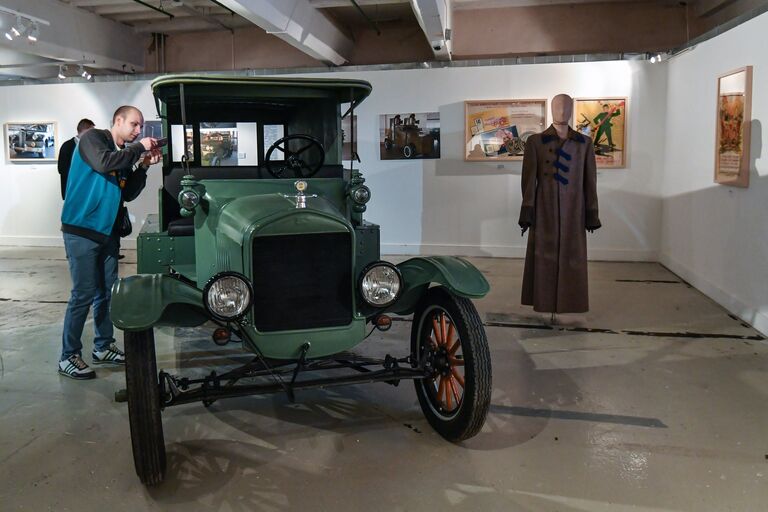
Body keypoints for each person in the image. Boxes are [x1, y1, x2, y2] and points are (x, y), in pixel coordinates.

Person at [58, 105, 161, 380]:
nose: (138, 130)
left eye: (140, 127)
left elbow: (127, 194)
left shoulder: (123, 155)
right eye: (134, 124)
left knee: (106, 293)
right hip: (81, 231)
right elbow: (104, 163)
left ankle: (103, 346)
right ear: (118, 120)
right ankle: (68, 356)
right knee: (82, 295)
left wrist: (143, 167)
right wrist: (139, 148)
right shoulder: (94, 139)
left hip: (107, 234)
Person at [57, 118, 95, 200]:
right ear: (86, 131)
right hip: (72, 191)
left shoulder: (91, 146)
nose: (93, 135)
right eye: (92, 132)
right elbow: (62, 169)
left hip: (87, 191)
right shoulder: (67, 146)